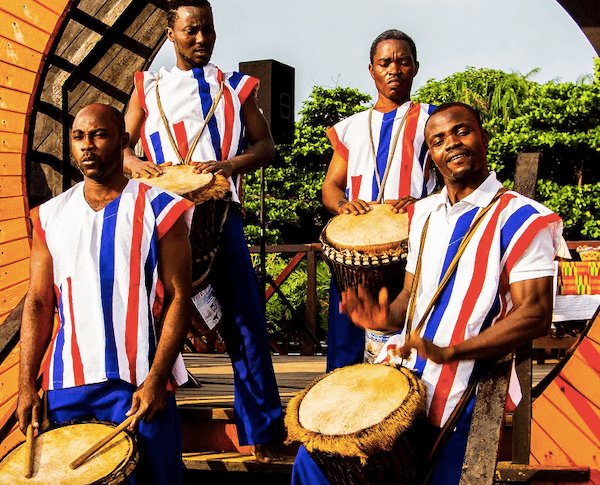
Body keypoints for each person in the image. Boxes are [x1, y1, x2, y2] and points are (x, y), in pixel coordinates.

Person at [291, 102, 564, 484]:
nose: (451, 143)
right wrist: (383, 320)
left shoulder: (525, 219)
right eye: (438, 140)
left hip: (466, 387)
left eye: (462, 131)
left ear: (483, 137)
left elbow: (534, 313)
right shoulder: (422, 215)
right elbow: (409, 296)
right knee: (315, 457)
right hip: (403, 376)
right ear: (431, 154)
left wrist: (451, 352)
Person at [122, 0, 283, 463]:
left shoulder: (234, 86)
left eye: (207, 30)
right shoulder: (147, 87)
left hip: (220, 213)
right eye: (191, 30)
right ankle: (146, 427)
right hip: (162, 217)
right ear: (169, 33)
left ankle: (264, 430)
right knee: (149, 318)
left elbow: (265, 145)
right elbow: (126, 150)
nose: (201, 39)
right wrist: (144, 169)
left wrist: (228, 165)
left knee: (245, 319)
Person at [17, 103, 193, 484]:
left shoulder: (162, 208)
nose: (87, 146)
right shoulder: (49, 215)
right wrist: (25, 386)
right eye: (79, 137)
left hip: (138, 384)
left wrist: (157, 380)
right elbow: (39, 302)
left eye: (99, 135)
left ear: (123, 140)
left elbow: (180, 297)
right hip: (67, 386)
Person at [321, 29, 437, 372]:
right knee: (345, 350)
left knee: (407, 350)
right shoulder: (350, 127)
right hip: (355, 252)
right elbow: (331, 186)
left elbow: (452, 184)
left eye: (403, 62)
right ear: (371, 70)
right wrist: (343, 206)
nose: (394, 69)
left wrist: (422, 201)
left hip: (413, 246)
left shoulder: (434, 120)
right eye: (384, 62)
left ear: (415, 68)